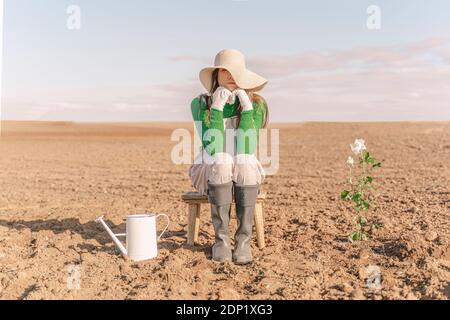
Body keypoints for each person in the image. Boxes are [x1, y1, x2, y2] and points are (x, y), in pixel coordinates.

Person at [188, 49, 269, 264]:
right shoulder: (200, 104)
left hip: (243, 171)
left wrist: (247, 109)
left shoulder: (258, 105)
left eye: (235, 71)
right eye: (225, 70)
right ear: (216, 75)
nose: (231, 76)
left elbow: (246, 147)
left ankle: (243, 242)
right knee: (223, 159)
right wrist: (216, 108)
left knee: (244, 160)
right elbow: (213, 148)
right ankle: (221, 242)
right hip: (210, 169)